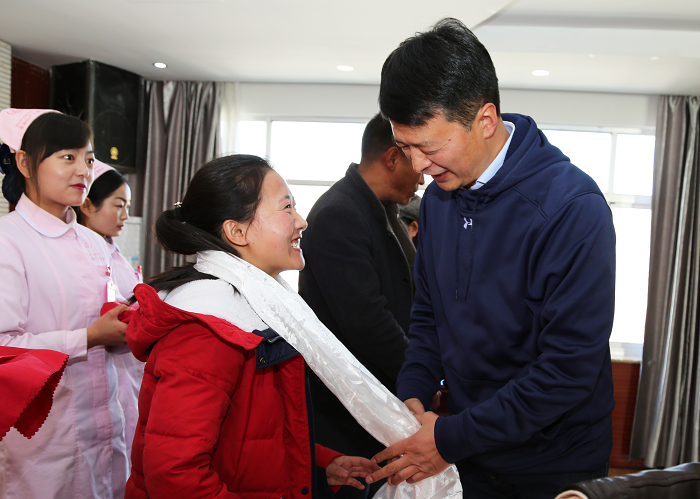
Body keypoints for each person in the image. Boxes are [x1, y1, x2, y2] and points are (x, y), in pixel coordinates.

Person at [365, 19, 616, 499]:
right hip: (467, 449)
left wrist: (449, 438)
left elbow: (568, 370)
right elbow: (429, 315)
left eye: (429, 147)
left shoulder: (570, 207)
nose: (417, 166)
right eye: (404, 147)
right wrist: (413, 393)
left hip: (552, 463)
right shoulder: (439, 199)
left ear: (484, 121)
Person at [124, 155, 378, 499]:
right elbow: (174, 475)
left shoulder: (255, 305)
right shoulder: (208, 326)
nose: (301, 221)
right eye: (287, 208)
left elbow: (246, 434)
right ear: (237, 231)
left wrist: (317, 463)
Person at [0, 109, 131, 498]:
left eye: (88, 159)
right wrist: (89, 337)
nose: (82, 171)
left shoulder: (93, 242)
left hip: (105, 422)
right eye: (67, 157)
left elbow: (104, 312)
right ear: (25, 163)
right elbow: (5, 346)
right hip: (45, 434)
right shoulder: (8, 241)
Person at [298, 113, 423, 495]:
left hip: (376, 396)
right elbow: (367, 321)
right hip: (347, 406)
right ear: (392, 158)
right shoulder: (340, 213)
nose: (423, 175)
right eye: (416, 160)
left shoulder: (382, 209)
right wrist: (418, 377)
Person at [77, 159, 144, 469]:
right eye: (118, 205)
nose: (125, 216)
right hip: (96, 373)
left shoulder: (114, 252)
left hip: (129, 372)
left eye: (127, 206)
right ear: (87, 205)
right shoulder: (80, 255)